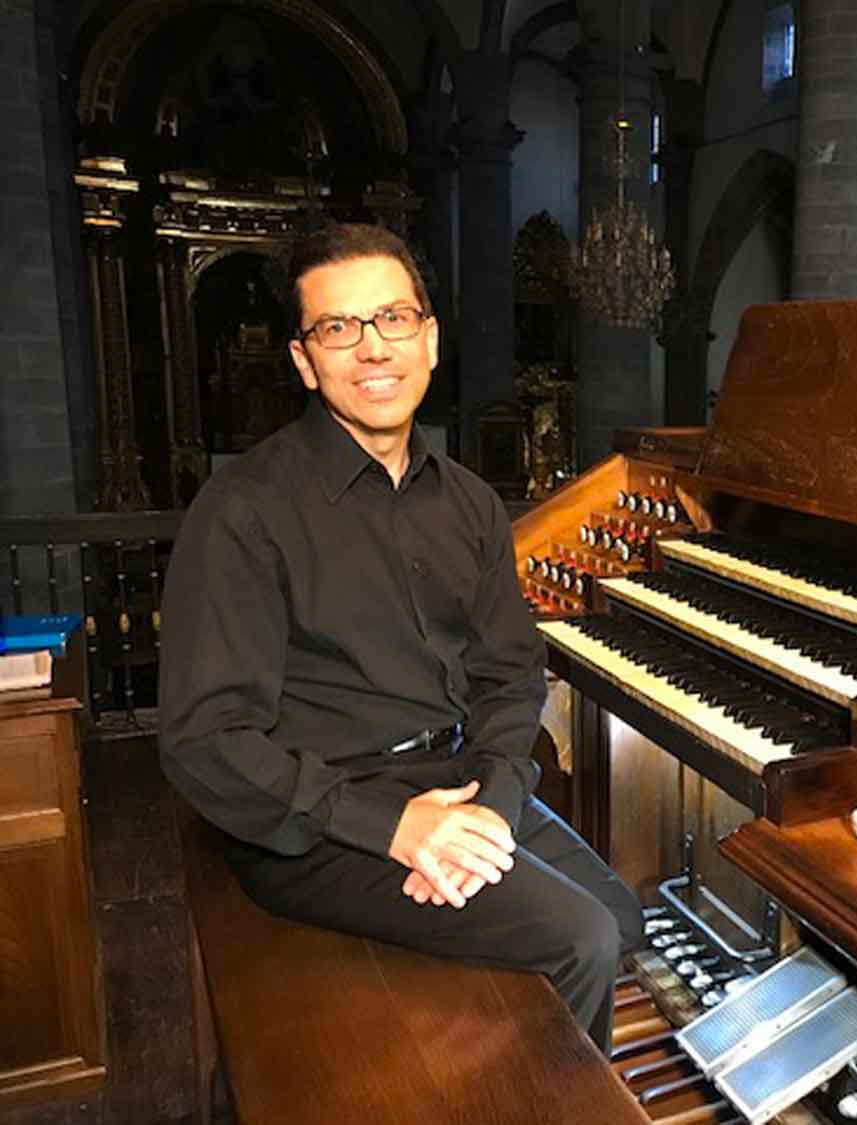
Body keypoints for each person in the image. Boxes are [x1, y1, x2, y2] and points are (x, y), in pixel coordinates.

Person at [159, 222, 641, 1052]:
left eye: (393, 319)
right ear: (304, 360)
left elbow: (512, 673)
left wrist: (490, 803)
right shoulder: (243, 510)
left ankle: (501, 1062)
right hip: (317, 815)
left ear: (430, 338)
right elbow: (205, 740)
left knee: (624, 918)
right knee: (581, 939)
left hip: (458, 780)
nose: (372, 348)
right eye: (337, 328)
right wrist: (395, 829)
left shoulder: (469, 502)